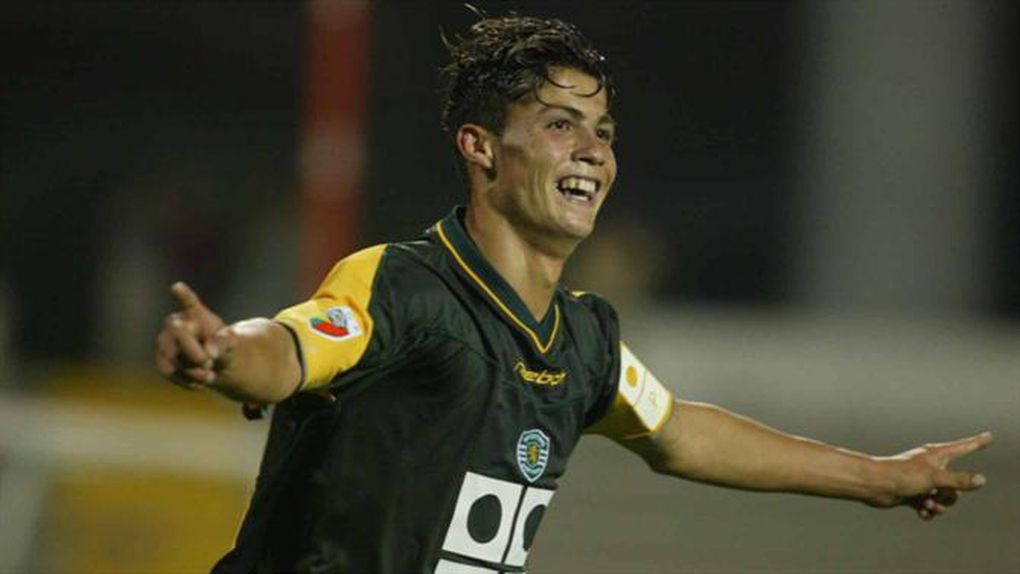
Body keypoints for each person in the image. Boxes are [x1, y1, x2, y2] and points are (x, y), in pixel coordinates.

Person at [155, 13, 992, 574]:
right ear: (481, 147)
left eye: (604, 131)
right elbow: (291, 349)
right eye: (561, 124)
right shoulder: (406, 284)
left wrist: (879, 477)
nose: (593, 150)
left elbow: (679, 432)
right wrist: (223, 353)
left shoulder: (583, 339)